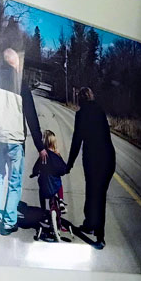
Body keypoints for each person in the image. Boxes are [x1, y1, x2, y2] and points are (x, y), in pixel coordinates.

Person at [0, 48, 47, 236]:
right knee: (14, 182)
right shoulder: (21, 86)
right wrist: (40, 147)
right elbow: (32, 118)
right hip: (15, 141)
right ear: (14, 63)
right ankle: (9, 222)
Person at [66, 87, 116, 250]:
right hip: (109, 159)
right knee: (95, 193)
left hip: (94, 160)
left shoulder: (81, 115)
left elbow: (76, 140)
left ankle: (100, 236)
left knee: (96, 196)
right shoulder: (100, 111)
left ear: (80, 99)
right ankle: (89, 224)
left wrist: (69, 164)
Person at [29, 130, 70, 243]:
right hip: (55, 187)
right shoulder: (57, 155)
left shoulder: (42, 155)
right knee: (59, 181)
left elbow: (36, 168)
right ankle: (60, 201)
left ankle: (43, 210)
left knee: (41, 189)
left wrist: (34, 173)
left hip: (45, 188)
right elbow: (63, 169)